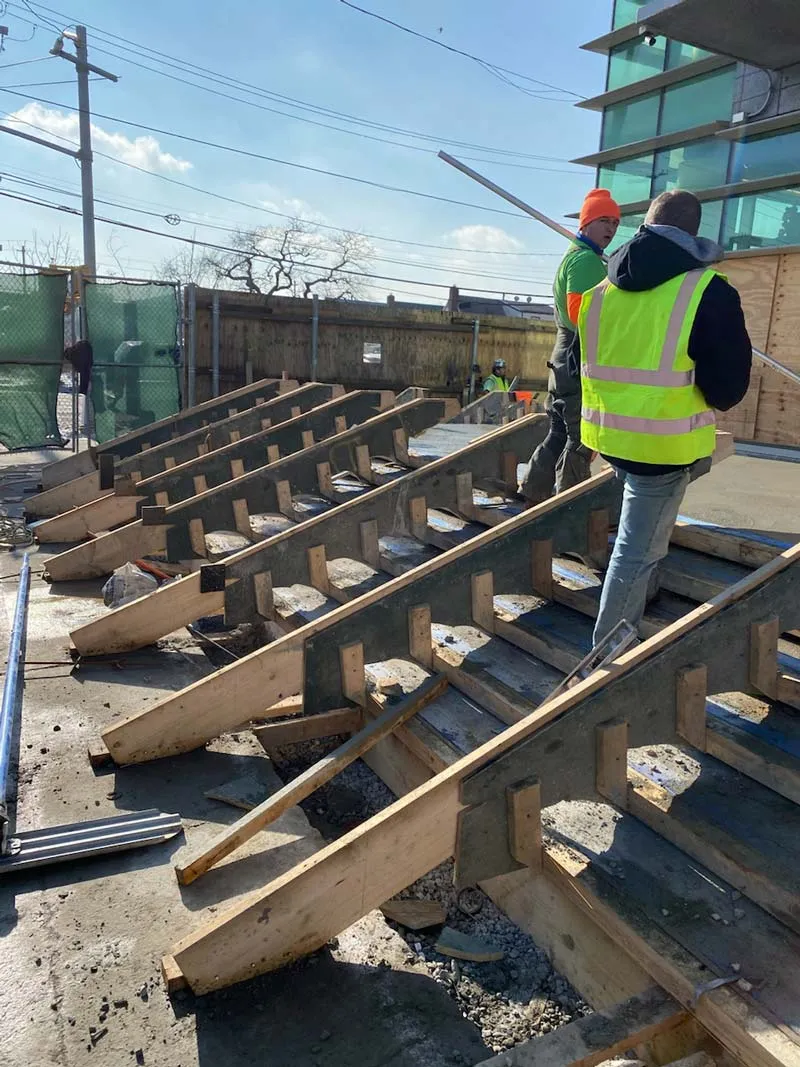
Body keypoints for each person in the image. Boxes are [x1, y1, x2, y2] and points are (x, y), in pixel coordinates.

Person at [578, 189, 752, 648]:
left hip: (609, 437)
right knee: (635, 551)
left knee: (640, 530)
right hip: (662, 448)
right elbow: (727, 388)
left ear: (645, 226)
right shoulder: (707, 291)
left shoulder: (599, 291)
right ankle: (607, 656)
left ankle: (645, 592)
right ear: (694, 234)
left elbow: (582, 361)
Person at [519, 189, 621, 503]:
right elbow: (581, 316)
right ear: (586, 222)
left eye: (615, 223)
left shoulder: (575, 256)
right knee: (581, 439)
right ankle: (568, 509)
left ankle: (533, 493)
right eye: (604, 220)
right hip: (577, 360)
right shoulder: (586, 261)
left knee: (559, 433)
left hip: (563, 359)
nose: (611, 228)